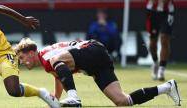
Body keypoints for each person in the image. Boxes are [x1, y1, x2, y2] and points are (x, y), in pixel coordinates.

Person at [14, 38, 181, 107]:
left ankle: (74, 97)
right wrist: (55, 100)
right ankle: (167, 87)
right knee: (122, 101)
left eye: (21, 57)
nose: (21, 62)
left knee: (56, 61)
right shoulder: (50, 62)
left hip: (91, 50)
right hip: (95, 63)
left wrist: (69, 95)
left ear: (31, 52)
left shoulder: (45, 55)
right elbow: (59, 77)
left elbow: (59, 64)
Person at [136, 0, 181, 81]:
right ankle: (155, 62)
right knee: (153, 42)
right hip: (152, 11)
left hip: (168, 11)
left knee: (165, 39)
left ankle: (162, 69)